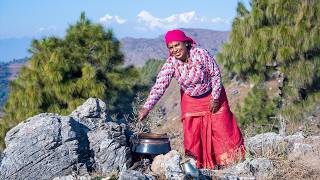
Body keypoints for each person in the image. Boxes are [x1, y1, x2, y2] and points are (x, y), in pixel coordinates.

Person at [138, 29, 245, 169]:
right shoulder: (171, 63)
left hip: (213, 95)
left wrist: (215, 97)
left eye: (177, 45)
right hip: (191, 100)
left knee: (222, 129)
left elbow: (215, 74)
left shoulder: (200, 54)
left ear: (185, 43)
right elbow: (159, 85)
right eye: (171, 47)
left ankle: (230, 164)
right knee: (193, 136)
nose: (175, 50)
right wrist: (147, 107)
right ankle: (197, 167)